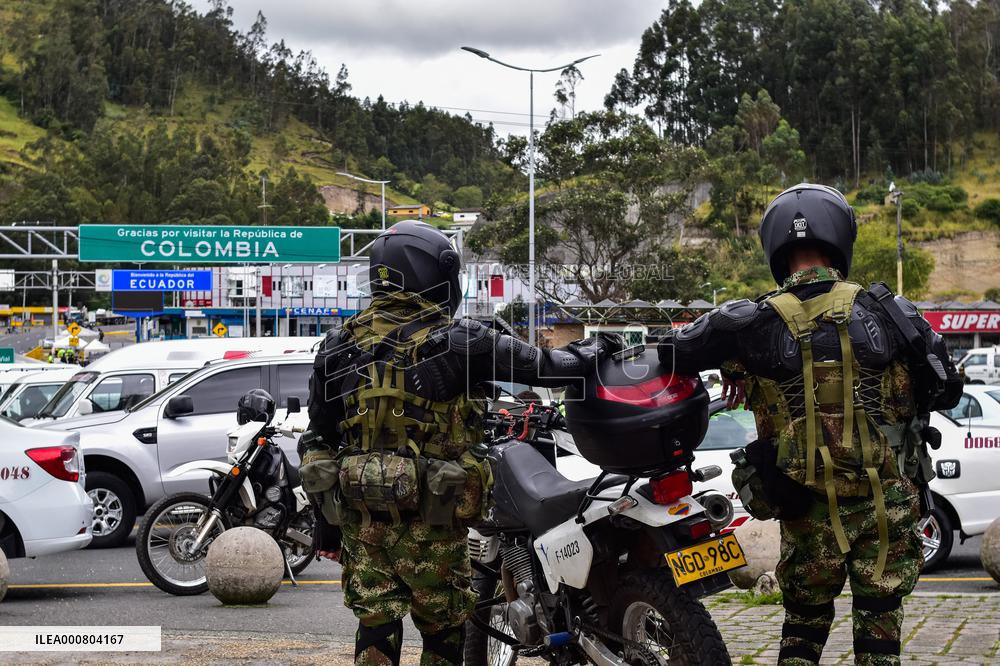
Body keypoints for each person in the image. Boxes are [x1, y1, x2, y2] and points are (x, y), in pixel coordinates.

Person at [657, 184, 961, 666]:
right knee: (879, 628)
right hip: (886, 507)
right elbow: (947, 387)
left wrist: (740, 366)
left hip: (805, 508)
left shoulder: (753, 323)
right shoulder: (889, 311)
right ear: (840, 239)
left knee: (802, 629)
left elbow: (673, 353)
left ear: (776, 247)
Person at [300, 220, 615, 666]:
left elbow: (318, 439)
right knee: (443, 629)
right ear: (433, 274)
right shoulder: (460, 340)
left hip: (363, 520)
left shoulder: (337, 346)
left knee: (375, 625)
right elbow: (548, 367)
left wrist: (327, 522)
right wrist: (597, 350)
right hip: (435, 518)